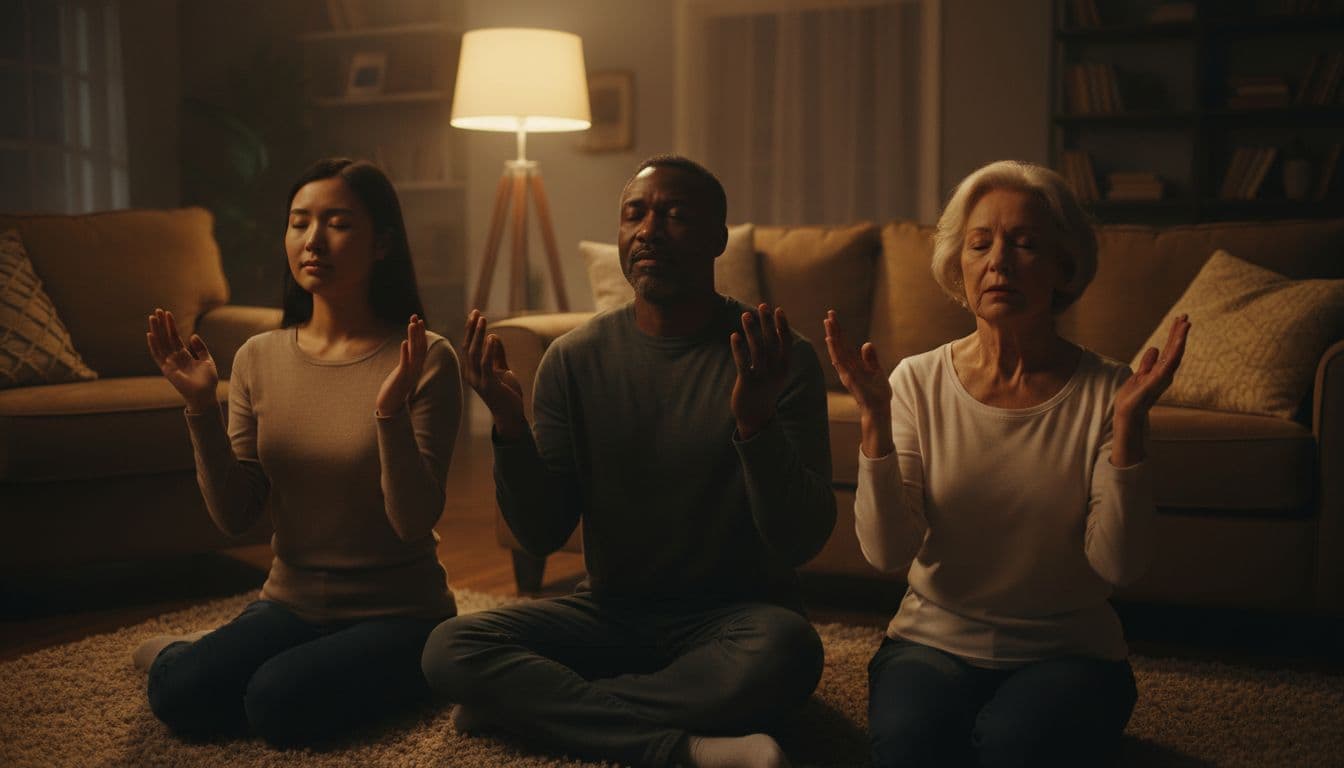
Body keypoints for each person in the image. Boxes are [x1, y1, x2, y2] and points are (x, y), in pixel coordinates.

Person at [421, 155, 836, 768]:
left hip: (737, 619)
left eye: (675, 215)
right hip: (611, 613)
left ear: (718, 238)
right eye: (634, 214)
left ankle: (533, 708)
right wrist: (509, 426)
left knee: (789, 652)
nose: (648, 230)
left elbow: (799, 539)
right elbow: (541, 532)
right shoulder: (572, 360)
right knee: (451, 646)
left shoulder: (775, 357)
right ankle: (684, 746)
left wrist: (756, 424)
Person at [825, 159, 1191, 767]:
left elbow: (1120, 566)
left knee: (1012, 746)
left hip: (1070, 653)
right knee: (911, 747)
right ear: (959, 266)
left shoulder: (1110, 390)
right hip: (930, 643)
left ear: (1063, 267)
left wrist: (1129, 430)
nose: (999, 261)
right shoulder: (914, 382)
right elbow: (887, 554)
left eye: (1025, 243)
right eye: (980, 244)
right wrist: (874, 423)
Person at [135, 158, 463, 748]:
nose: (313, 240)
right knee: (179, 692)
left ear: (382, 243)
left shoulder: (426, 358)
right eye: (299, 222)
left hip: (400, 613)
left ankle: (423, 666)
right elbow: (236, 516)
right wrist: (201, 408)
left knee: (276, 701)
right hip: (290, 603)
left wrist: (388, 415)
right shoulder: (258, 357)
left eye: (338, 223)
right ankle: (191, 656)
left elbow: (413, 520)